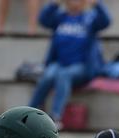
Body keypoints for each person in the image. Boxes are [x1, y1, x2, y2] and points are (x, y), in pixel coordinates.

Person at [28, 0, 110, 129]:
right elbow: (43, 20)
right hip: (60, 63)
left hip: (82, 66)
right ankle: (28, 113)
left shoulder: (90, 18)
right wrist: (53, 4)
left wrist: (97, 4)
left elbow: (106, 21)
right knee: (48, 74)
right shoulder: (60, 17)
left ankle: (55, 117)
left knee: (63, 75)